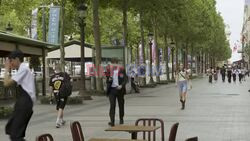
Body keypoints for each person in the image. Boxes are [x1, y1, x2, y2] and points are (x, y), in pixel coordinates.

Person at [4, 50, 36, 141]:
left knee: (15, 134)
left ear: (17, 59)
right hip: (24, 103)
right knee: (12, 131)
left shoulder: (23, 69)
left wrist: (6, 68)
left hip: (25, 103)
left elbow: (6, 83)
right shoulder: (23, 69)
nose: (11, 64)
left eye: (11, 61)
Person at [106, 58, 127, 126]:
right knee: (112, 105)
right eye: (112, 64)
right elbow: (107, 79)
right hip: (112, 90)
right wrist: (108, 79)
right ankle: (112, 121)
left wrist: (121, 85)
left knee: (121, 105)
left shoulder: (122, 70)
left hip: (120, 90)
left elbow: (125, 79)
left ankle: (121, 119)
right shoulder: (109, 70)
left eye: (115, 63)